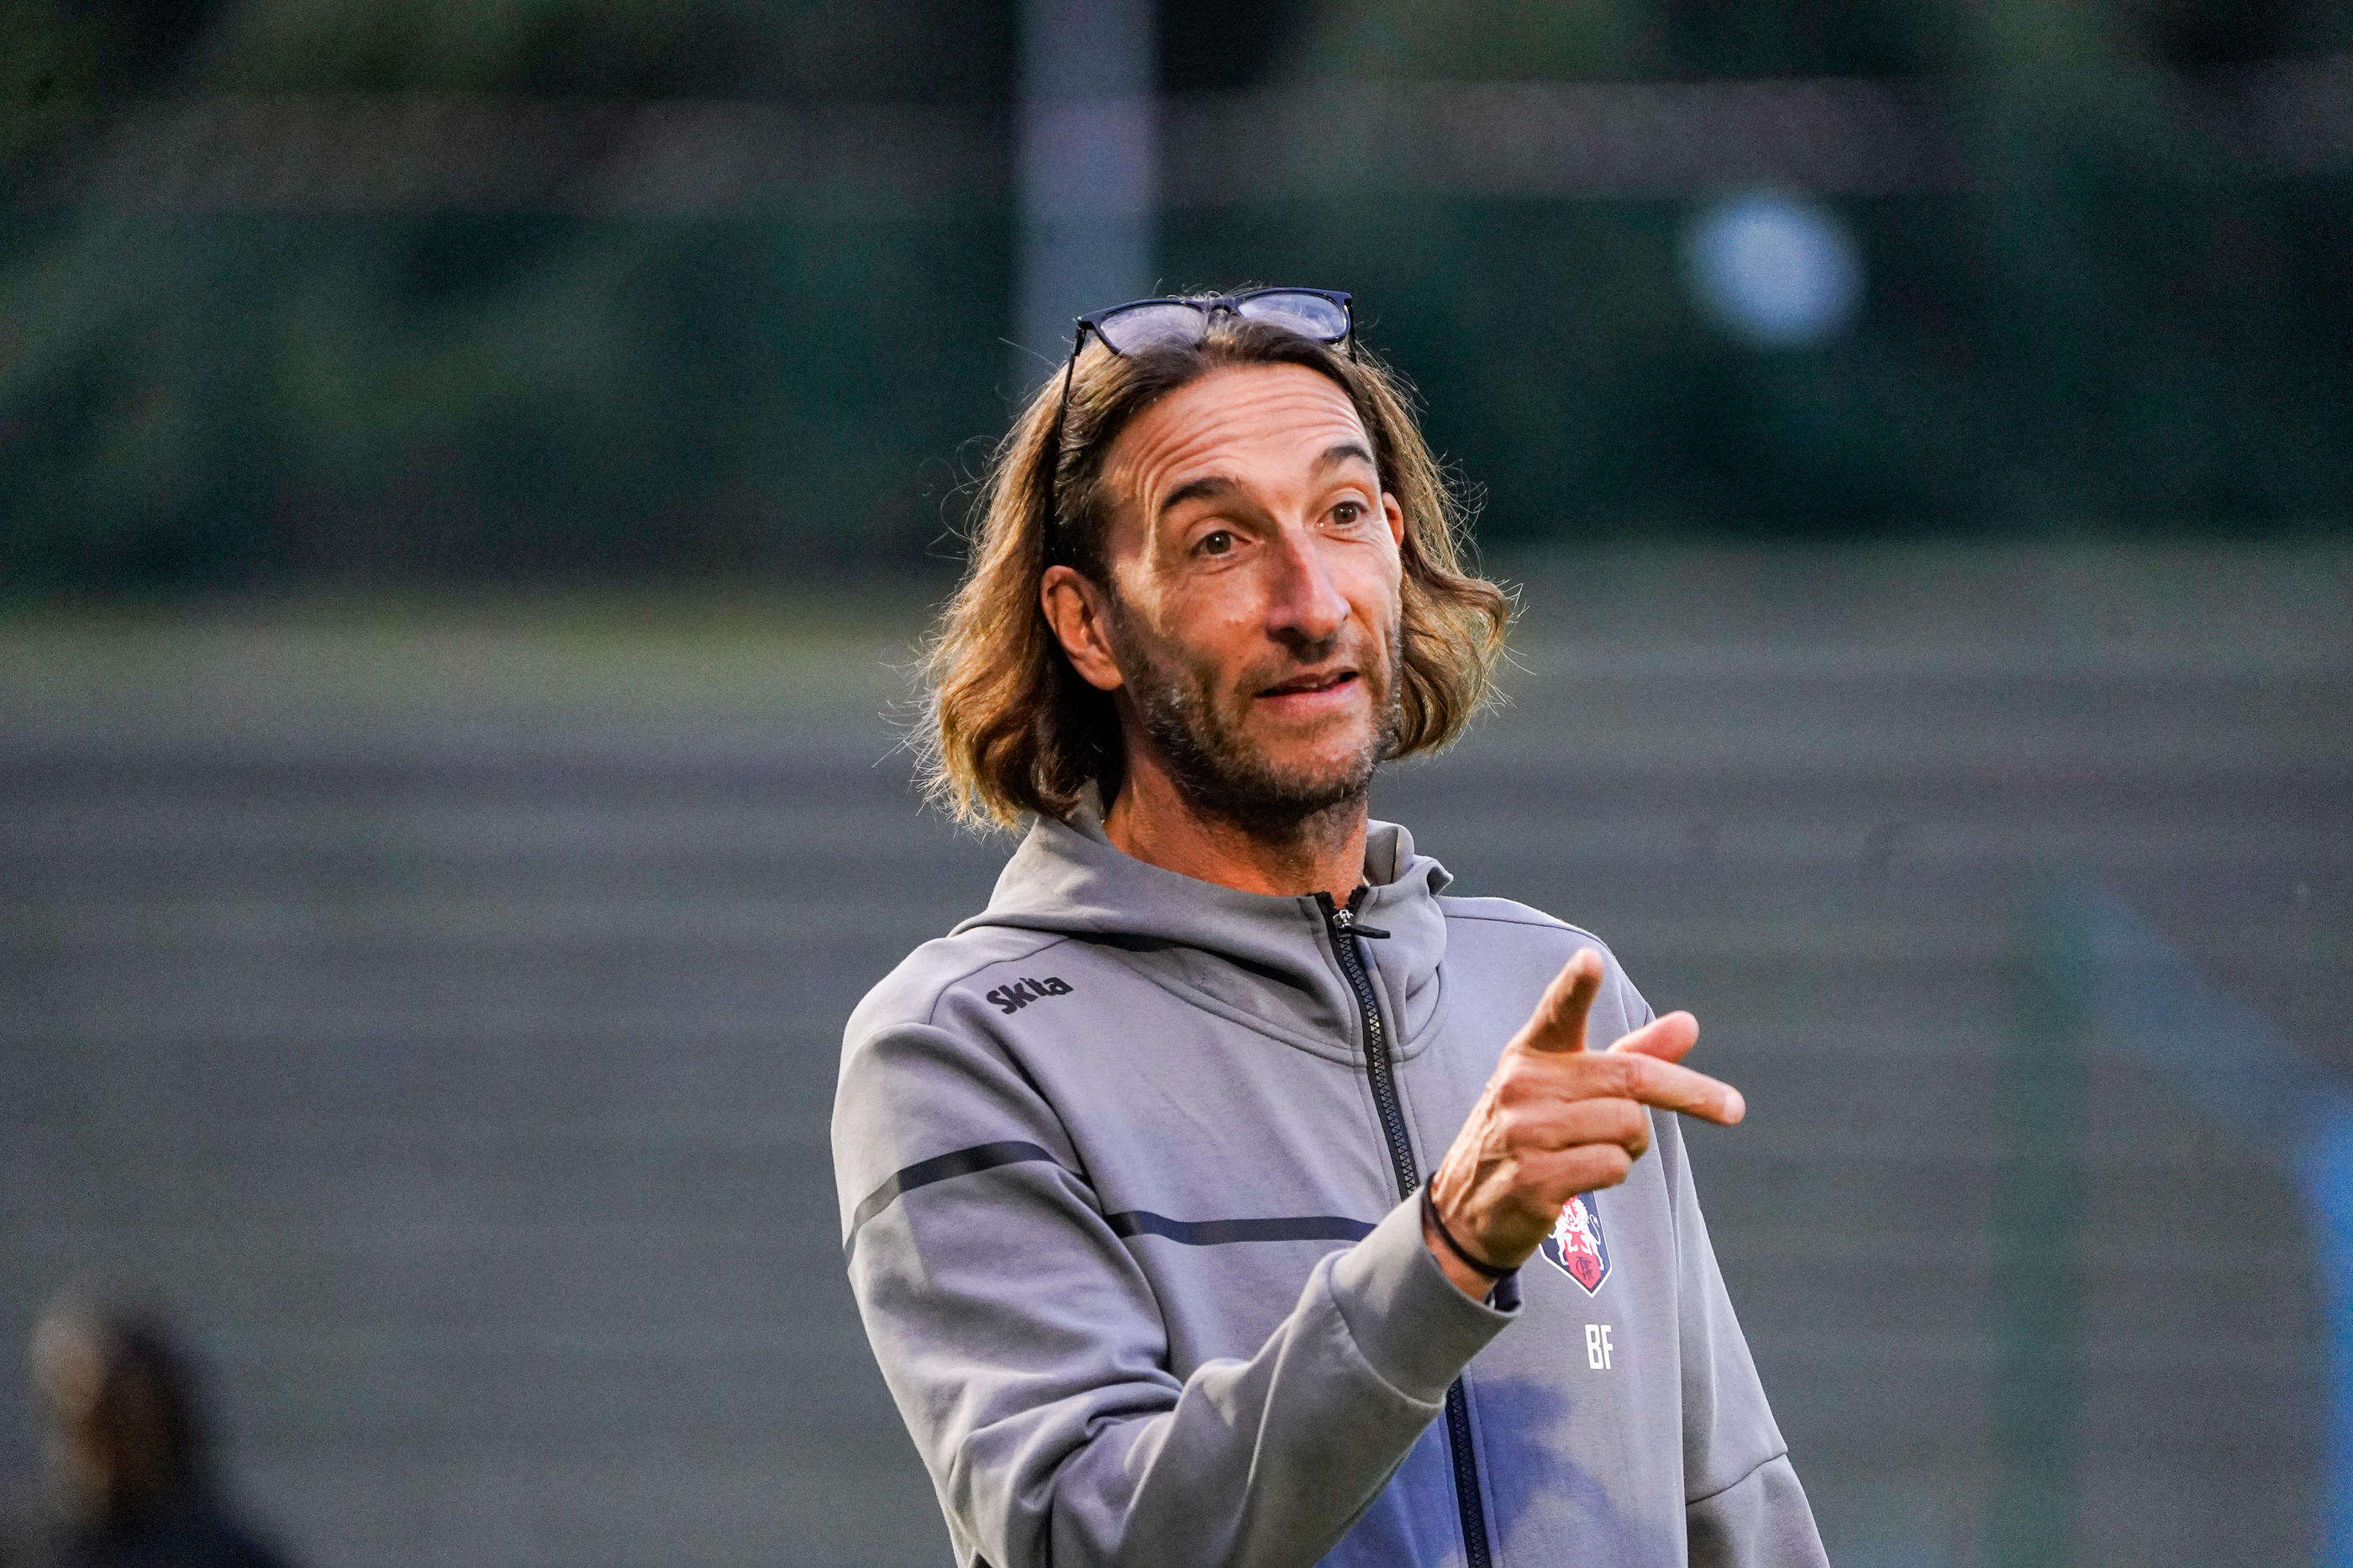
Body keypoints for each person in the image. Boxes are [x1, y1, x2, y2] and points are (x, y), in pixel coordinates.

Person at [834, 288, 1827, 1567]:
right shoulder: (963, 1045)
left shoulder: (1552, 994)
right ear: (1087, 623)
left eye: (1342, 516)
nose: (1310, 600)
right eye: (1217, 543)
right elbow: (1086, 1538)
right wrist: (1447, 1247)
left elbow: (1734, 1505)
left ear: (1396, 551)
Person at [15, 1292, 291, 1568]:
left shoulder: (228, 1556)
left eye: (120, 1415)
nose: (106, 1441)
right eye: (82, 1419)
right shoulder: (27, 1548)